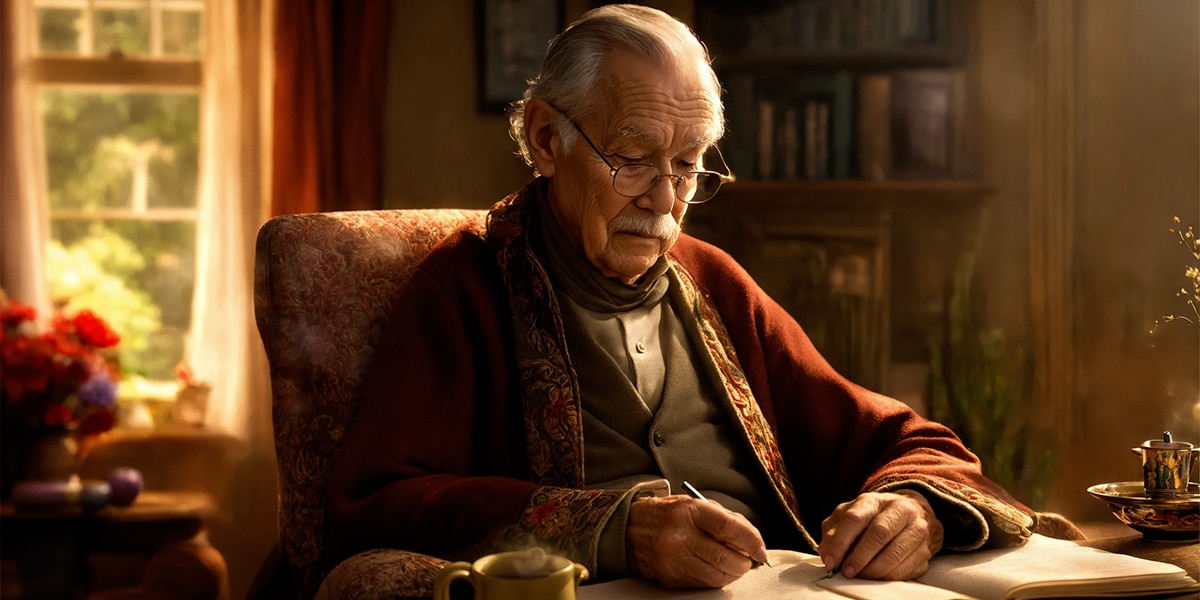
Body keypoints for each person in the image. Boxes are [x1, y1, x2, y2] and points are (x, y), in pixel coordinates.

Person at [325, 3, 1077, 591]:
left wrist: (913, 509)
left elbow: (905, 440)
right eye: (632, 159)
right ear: (547, 137)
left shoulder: (712, 279)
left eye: (686, 167)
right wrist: (621, 529)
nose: (663, 199)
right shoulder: (465, 287)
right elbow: (377, 502)